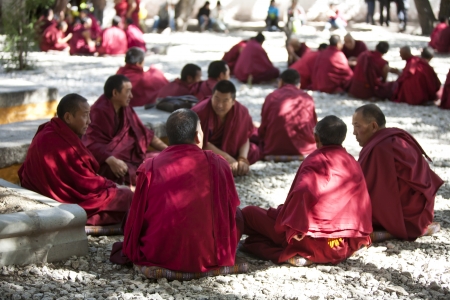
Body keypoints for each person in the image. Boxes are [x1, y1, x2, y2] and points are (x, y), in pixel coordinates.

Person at [119, 109, 243, 273]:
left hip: (158, 254)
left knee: (130, 216)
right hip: (209, 255)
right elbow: (230, 207)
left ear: (169, 138)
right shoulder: (219, 163)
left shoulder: (149, 167)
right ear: (198, 136)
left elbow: (138, 215)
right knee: (239, 215)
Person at [242, 115, 372, 265]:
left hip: (312, 243)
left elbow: (302, 192)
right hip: (342, 244)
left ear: (316, 138)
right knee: (264, 232)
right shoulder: (351, 162)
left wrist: (295, 229)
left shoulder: (316, 160)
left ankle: (299, 254)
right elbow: (362, 202)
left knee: (249, 213)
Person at [18, 93, 133, 226]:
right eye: (85, 115)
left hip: (43, 194)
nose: (89, 121)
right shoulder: (57, 141)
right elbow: (85, 183)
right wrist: (110, 185)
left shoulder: (52, 130)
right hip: (59, 201)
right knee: (127, 196)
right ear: (68, 117)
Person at [353, 104, 443, 240]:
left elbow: (367, 189)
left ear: (373, 126)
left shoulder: (381, 148)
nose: (354, 132)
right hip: (422, 213)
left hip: (406, 218)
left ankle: (394, 230)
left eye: (357, 126)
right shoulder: (397, 137)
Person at [83, 75, 168, 186]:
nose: (131, 96)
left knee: (162, 159)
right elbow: (88, 143)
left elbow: (145, 134)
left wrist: (169, 150)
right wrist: (110, 159)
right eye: (127, 92)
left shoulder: (125, 108)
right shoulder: (98, 112)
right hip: (108, 162)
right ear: (115, 93)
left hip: (131, 158)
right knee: (121, 172)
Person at [192, 80, 260, 176]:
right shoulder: (200, 112)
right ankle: (225, 166)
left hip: (231, 150)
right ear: (211, 96)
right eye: (216, 99)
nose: (219, 105)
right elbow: (200, 143)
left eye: (225, 101)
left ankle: (233, 167)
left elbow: (244, 138)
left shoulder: (241, 112)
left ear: (233, 102)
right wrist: (228, 159)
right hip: (210, 152)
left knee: (254, 151)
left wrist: (242, 159)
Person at [258, 69, 317, 158]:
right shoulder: (307, 98)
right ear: (299, 85)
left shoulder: (271, 97)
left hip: (274, 148)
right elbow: (313, 125)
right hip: (305, 149)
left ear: (281, 82)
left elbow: (264, 126)